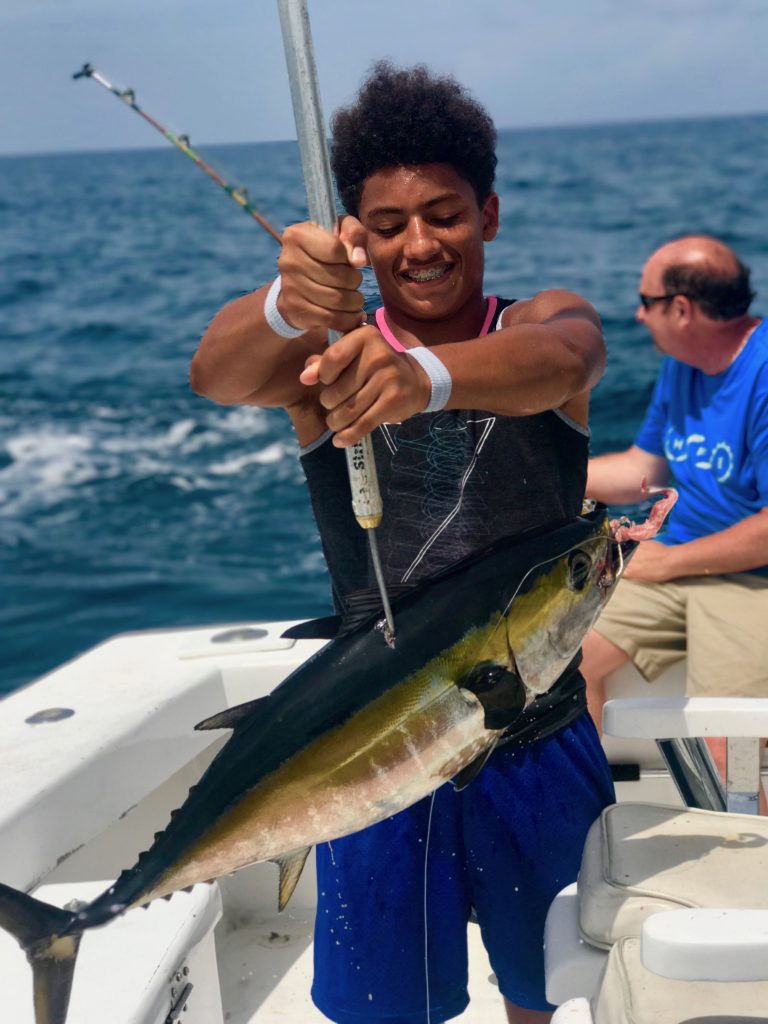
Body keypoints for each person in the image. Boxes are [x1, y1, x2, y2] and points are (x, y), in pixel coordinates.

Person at [191, 62, 614, 1024]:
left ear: (490, 214)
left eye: (446, 214)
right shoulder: (324, 357)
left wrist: (419, 376)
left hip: (535, 742)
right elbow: (215, 373)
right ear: (357, 237)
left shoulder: (537, 322)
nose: (420, 244)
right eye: (388, 226)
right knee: (389, 1011)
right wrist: (285, 303)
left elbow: (567, 357)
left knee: (547, 995)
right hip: (370, 750)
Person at [581, 235, 768, 802]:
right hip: (675, 569)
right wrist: (539, 477)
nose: (638, 313)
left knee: (727, 744)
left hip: (752, 583)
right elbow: (643, 468)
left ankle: (742, 878)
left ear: (682, 309)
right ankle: (595, 824)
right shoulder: (682, 366)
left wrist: (667, 564)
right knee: (560, 669)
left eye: (647, 299)